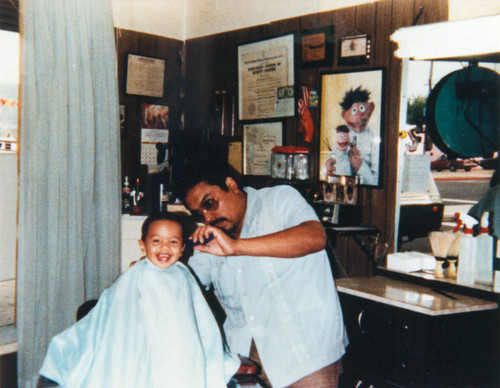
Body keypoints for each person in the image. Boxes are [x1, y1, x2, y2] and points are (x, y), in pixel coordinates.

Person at [178, 159, 348, 388]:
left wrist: (237, 247)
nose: (207, 217)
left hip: (305, 356)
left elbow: (315, 237)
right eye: (199, 213)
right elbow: (189, 281)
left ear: (231, 184)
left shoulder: (278, 200)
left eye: (210, 203)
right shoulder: (211, 237)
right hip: (248, 358)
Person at [38, 213, 239, 388]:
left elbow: (199, 320)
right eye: (156, 241)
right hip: (141, 350)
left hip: (180, 353)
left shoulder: (184, 275)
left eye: (173, 242)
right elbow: (119, 319)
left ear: (183, 248)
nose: (165, 248)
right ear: (143, 246)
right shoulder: (135, 276)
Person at [339, 86, 380, 185]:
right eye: (354, 111)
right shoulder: (339, 137)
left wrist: (360, 167)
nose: (359, 116)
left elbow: (376, 182)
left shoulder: (373, 140)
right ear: (344, 114)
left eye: (362, 109)